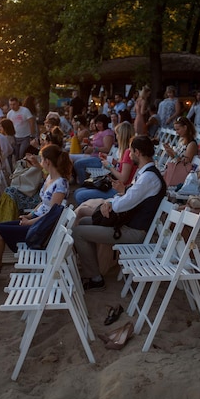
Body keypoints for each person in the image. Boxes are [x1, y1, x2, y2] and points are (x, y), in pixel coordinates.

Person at [73, 135, 167, 291]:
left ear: (137, 152)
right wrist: (113, 200)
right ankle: (92, 266)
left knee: (78, 232)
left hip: (135, 232)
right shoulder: (147, 173)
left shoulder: (148, 177)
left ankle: (95, 278)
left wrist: (109, 203)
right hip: (128, 225)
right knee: (83, 222)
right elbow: (128, 197)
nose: (129, 155)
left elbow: (122, 205)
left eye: (130, 152)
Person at [0, 144, 72, 275]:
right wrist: (30, 215)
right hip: (37, 222)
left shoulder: (60, 183)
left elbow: (52, 214)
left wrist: (29, 222)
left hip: (42, 229)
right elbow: (44, 203)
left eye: (42, 160)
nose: (41, 162)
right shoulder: (50, 178)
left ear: (47, 162)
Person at [74, 121, 137, 205]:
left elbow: (123, 178)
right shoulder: (128, 151)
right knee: (78, 191)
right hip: (115, 186)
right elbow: (124, 166)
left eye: (117, 134)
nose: (116, 137)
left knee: (79, 195)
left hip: (119, 190)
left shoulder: (128, 153)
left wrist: (109, 166)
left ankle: (93, 212)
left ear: (122, 136)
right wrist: (111, 160)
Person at [72, 113, 115, 185]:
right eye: (97, 123)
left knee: (78, 164)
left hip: (100, 159)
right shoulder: (99, 132)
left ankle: (83, 184)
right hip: (93, 155)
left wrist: (94, 148)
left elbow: (107, 149)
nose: (97, 125)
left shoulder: (107, 133)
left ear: (105, 123)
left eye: (100, 123)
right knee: (71, 158)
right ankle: (77, 180)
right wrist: (89, 143)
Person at [162, 116, 199, 185]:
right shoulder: (181, 140)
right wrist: (169, 151)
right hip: (174, 169)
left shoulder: (191, 144)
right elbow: (175, 158)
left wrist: (173, 152)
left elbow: (184, 163)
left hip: (180, 173)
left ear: (185, 128)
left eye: (178, 129)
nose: (176, 132)